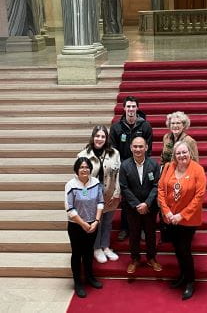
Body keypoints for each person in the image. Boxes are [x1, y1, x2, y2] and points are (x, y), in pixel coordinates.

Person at [158, 141, 207, 300]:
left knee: (184, 250)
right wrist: (167, 212)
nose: (181, 156)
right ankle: (183, 276)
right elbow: (160, 189)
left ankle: (190, 282)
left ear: (190, 153)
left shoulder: (198, 170)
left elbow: (199, 197)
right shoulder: (168, 167)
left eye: (184, 152)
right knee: (177, 250)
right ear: (174, 155)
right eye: (178, 153)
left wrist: (181, 215)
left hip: (188, 220)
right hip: (170, 218)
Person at [110, 96, 153, 241]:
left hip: (141, 166)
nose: (131, 109)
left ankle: (141, 228)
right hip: (123, 168)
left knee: (141, 196)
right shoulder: (116, 127)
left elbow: (149, 149)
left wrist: (140, 164)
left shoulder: (145, 126)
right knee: (126, 199)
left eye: (133, 106)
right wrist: (126, 165)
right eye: (128, 106)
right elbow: (113, 151)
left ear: (137, 108)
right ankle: (124, 227)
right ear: (124, 108)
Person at [78, 125, 121, 264]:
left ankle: (105, 246)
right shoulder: (83, 155)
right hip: (92, 194)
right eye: (97, 136)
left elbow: (119, 174)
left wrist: (117, 192)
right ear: (93, 137)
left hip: (110, 192)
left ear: (106, 138)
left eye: (103, 136)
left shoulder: (114, 153)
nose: (100, 139)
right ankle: (96, 248)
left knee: (107, 222)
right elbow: (79, 179)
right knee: (97, 222)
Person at [119, 136, 162, 274]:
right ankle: (135, 259)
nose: (138, 149)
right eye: (135, 146)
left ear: (146, 147)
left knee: (150, 233)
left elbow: (156, 186)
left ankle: (151, 258)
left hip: (150, 207)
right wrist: (138, 204)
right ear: (131, 148)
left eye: (141, 146)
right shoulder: (125, 165)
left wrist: (147, 203)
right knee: (134, 233)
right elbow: (124, 188)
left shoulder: (154, 165)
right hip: (132, 208)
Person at [65, 157, 104, 298]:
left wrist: (96, 221)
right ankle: (77, 282)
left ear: (90, 169)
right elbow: (70, 209)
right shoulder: (70, 185)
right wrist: (83, 224)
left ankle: (90, 277)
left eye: (87, 167)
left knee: (88, 253)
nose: (84, 169)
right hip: (76, 226)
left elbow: (100, 202)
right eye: (81, 167)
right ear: (76, 169)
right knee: (77, 254)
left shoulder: (96, 182)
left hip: (93, 224)